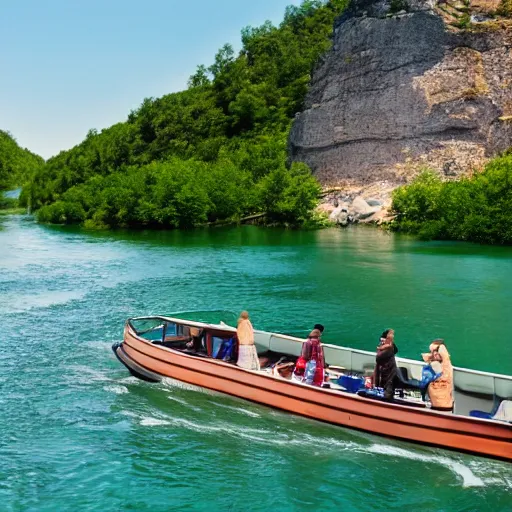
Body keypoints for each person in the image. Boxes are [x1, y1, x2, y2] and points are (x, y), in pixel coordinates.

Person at [422, 339, 454, 412]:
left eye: (437, 350)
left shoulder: (446, 366)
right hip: (433, 405)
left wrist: (439, 348)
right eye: (433, 352)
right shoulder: (432, 365)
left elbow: (445, 357)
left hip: (445, 407)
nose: (435, 353)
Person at [373, 329, 398, 400]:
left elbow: (378, 357)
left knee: (388, 393)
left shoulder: (388, 349)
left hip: (390, 374)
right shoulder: (388, 347)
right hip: (384, 372)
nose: (382, 342)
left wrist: (380, 348)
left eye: (383, 340)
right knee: (381, 389)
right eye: (381, 341)